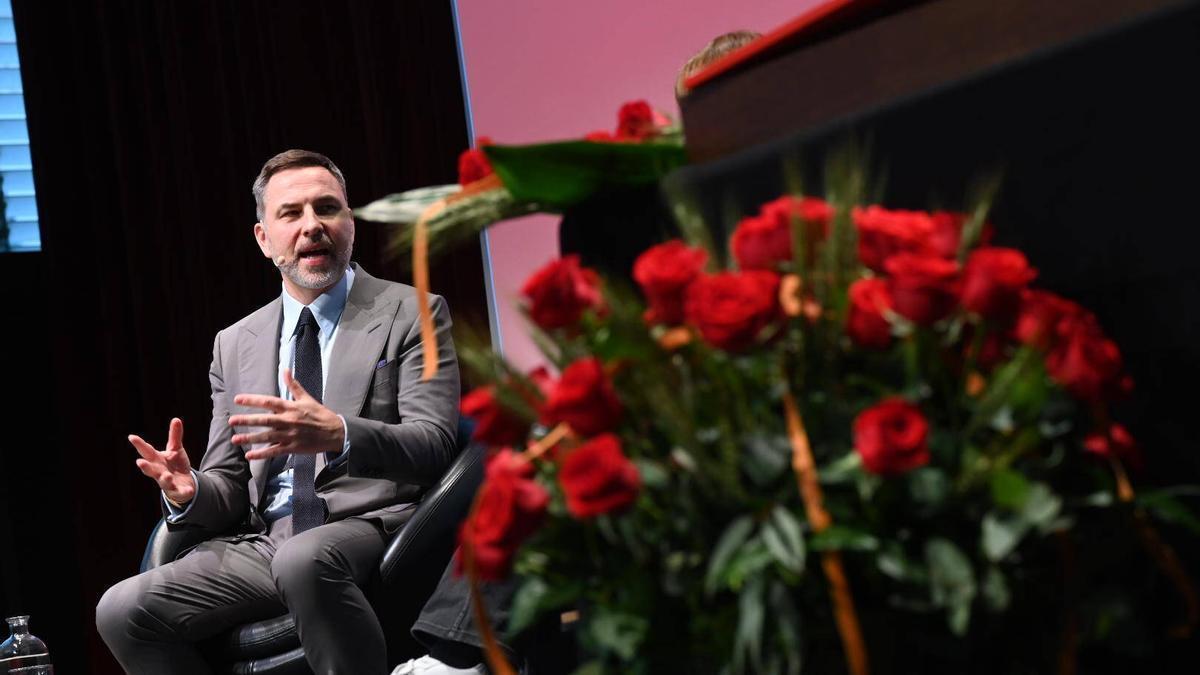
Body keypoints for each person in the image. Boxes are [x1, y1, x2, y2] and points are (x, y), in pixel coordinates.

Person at [394, 29, 765, 675]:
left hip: (738, 406)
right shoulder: (668, 211)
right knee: (519, 434)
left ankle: (460, 654)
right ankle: (459, 651)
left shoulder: (793, 191)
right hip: (660, 396)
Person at [96, 149, 461, 674]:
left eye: (327, 209)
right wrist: (190, 491)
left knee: (304, 559)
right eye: (291, 213)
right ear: (264, 239)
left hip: (370, 523)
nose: (312, 226)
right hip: (267, 542)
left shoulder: (412, 312)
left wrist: (338, 433)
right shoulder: (235, 343)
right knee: (122, 609)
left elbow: (434, 445)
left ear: (350, 224)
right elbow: (228, 481)